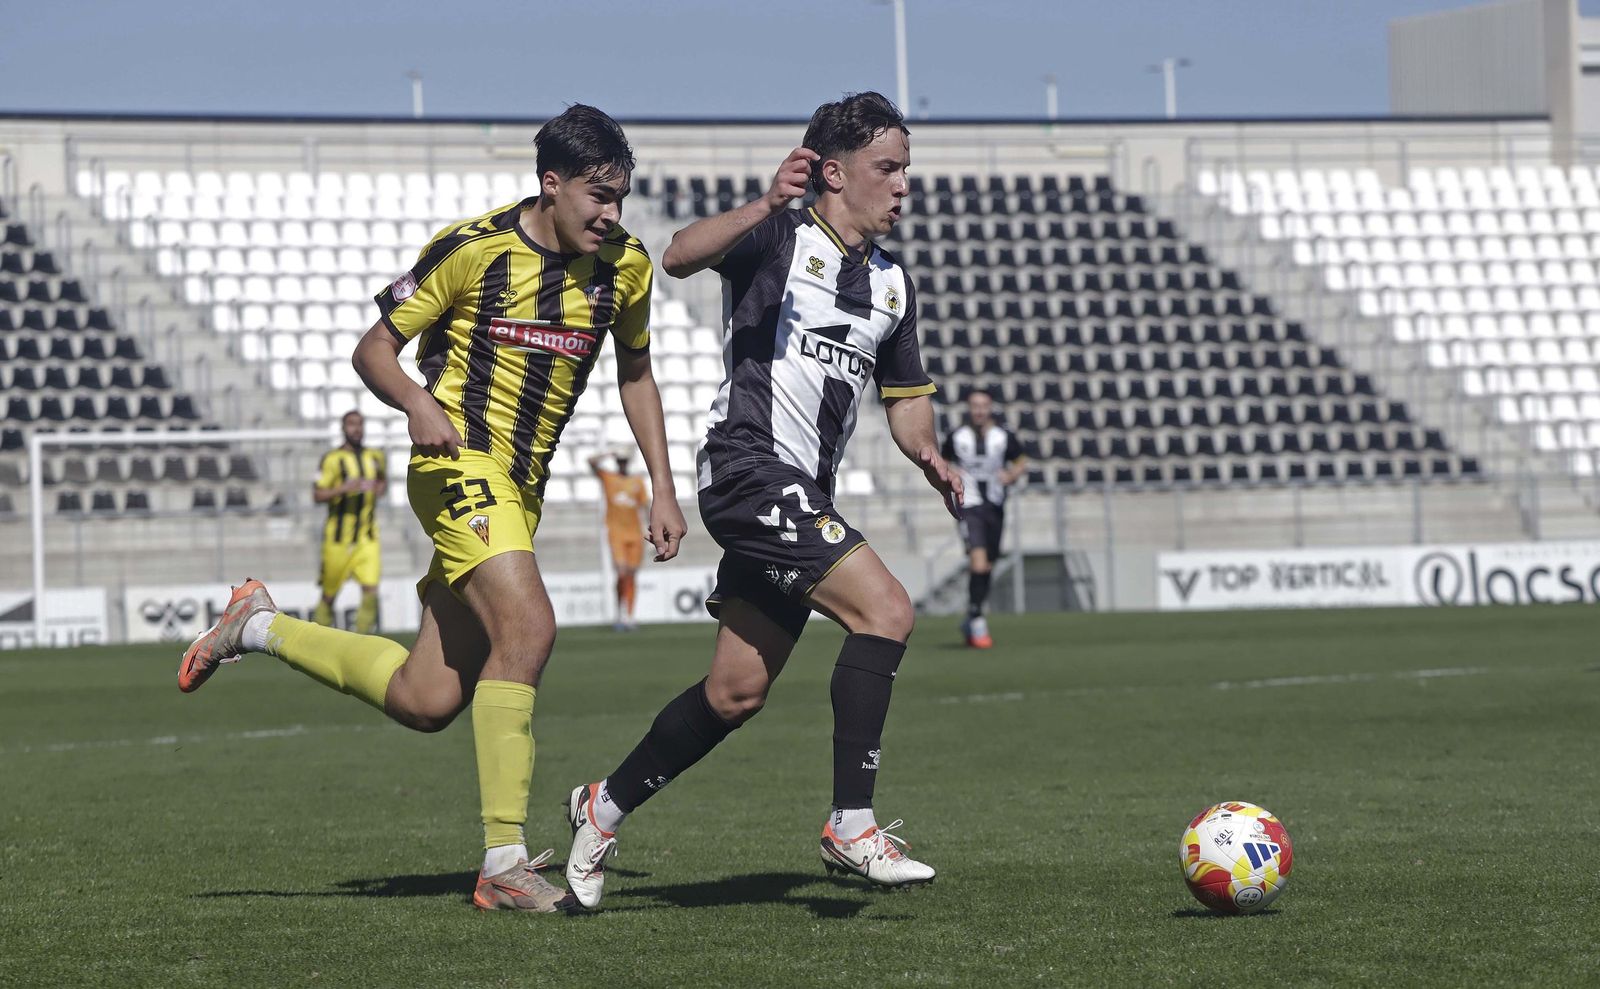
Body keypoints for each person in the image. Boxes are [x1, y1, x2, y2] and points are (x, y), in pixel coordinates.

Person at [176, 104, 687, 914]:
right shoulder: (473, 249)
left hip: (523, 487)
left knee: (427, 698)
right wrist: (415, 401)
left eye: (620, 196)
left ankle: (257, 625)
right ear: (549, 185)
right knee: (529, 628)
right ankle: (505, 860)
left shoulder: (625, 266)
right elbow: (372, 347)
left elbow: (636, 373)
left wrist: (664, 481)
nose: (611, 213)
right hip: (455, 465)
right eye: (598, 195)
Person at [561, 92, 961, 911]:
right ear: (836, 172)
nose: (902, 186)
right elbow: (675, 255)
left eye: (906, 170)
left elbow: (906, 397)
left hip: (798, 493)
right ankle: (852, 823)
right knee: (885, 609)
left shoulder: (892, 286)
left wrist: (926, 448)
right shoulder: (779, 234)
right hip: (746, 471)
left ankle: (602, 805)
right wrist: (769, 200)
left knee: (735, 691)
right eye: (889, 170)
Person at [940, 390, 1026, 648]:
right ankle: (977, 619)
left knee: (987, 565)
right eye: (975, 406)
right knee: (977, 563)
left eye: (983, 406)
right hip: (970, 506)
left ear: (990, 408)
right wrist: (949, 470)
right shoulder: (957, 436)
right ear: (969, 408)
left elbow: (1021, 461)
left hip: (996, 506)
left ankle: (972, 615)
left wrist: (1011, 476)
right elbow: (943, 460)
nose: (979, 411)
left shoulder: (1003, 437)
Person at [312, 410, 388, 633]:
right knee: (329, 595)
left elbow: (382, 481)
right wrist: (343, 489)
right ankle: (318, 639)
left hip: (368, 537)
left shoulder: (375, 456)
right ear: (343, 428)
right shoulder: (332, 459)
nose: (357, 429)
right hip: (338, 540)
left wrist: (377, 489)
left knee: (371, 591)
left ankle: (362, 641)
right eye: (352, 425)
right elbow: (317, 495)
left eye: (360, 424)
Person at [589, 449, 648, 631]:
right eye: (619, 461)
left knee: (631, 574)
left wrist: (652, 526)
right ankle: (620, 613)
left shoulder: (637, 482)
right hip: (616, 533)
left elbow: (645, 505)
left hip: (635, 534)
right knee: (621, 572)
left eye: (624, 461)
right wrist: (608, 454)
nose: (622, 464)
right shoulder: (609, 478)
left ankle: (629, 616)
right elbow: (591, 461)